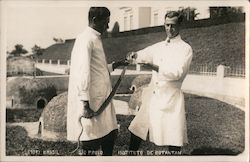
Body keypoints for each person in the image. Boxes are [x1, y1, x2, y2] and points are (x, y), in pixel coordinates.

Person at [126, 11, 193, 154]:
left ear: (180, 25)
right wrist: (135, 55)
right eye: (167, 25)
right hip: (154, 95)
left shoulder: (185, 49)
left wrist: (154, 67)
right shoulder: (160, 46)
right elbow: (145, 54)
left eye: (173, 25)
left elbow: (178, 73)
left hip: (171, 99)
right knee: (137, 128)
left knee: (173, 136)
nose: (170, 29)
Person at [67, 7, 127, 156]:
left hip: (103, 101)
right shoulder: (86, 39)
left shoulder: (95, 38)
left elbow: (98, 69)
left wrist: (117, 64)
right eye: (105, 23)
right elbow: (83, 72)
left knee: (109, 136)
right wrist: (85, 105)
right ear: (94, 20)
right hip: (92, 103)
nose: (107, 27)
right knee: (90, 142)